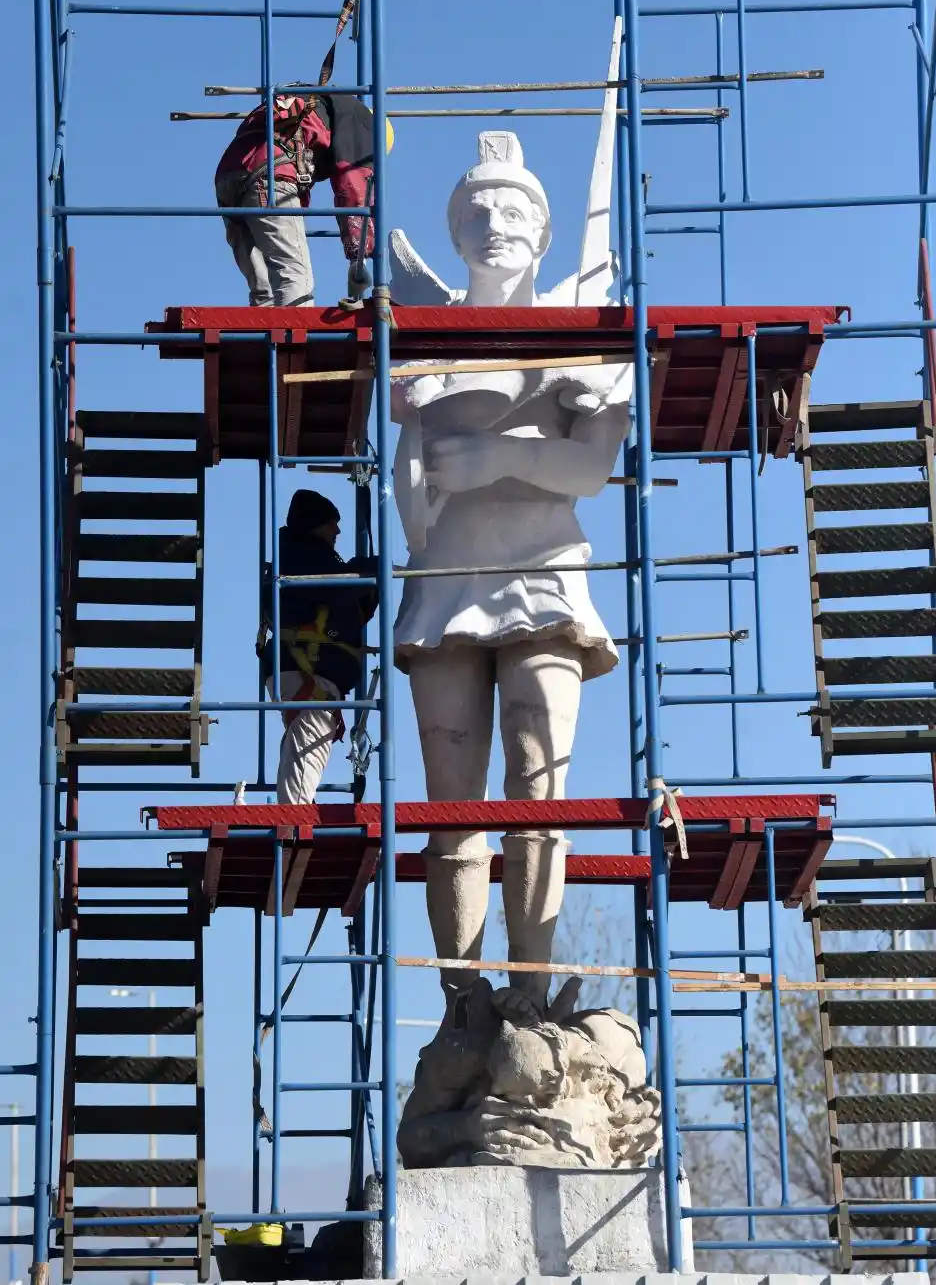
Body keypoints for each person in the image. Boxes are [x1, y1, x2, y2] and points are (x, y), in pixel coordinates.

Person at [389, 133, 632, 1019]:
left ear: (544, 228)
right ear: (455, 235)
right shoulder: (423, 340)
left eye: (515, 209)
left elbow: (594, 466)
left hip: (543, 575)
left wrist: (492, 457)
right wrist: (414, 456)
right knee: (451, 804)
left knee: (539, 781)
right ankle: (462, 1001)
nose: (496, 225)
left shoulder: (579, 327)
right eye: (478, 213)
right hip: (446, 580)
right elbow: (409, 491)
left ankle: (526, 998)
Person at [259, 490, 378, 803]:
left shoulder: (298, 554)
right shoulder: (304, 555)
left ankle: (295, 807)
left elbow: (346, 595)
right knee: (310, 738)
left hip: (300, 669)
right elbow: (339, 586)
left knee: (305, 738)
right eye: (331, 525)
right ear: (314, 525)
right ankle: (294, 817)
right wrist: (372, 571)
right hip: (305, 669)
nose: (337, 532)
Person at [215, 90, 386, 308]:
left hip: (228, 179)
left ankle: (270, 341)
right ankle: (294, 342)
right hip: (269, 176)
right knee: (294, 278)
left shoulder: (320, 102)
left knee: (265, 289)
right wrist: (358, 256)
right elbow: (353, 186)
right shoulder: (361, 122)